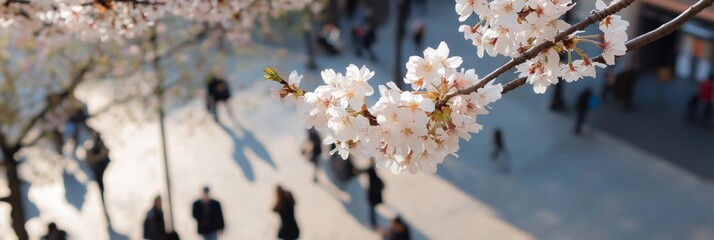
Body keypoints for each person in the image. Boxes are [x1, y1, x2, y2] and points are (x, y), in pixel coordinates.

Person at [365, 161, 384, 229]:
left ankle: (373, 223)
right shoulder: (375, 178)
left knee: (372, 210)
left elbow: (382, 185)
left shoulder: (374, 178)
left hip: (373, 198)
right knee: (372, 210)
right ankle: (373, 223)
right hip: (373, 198)